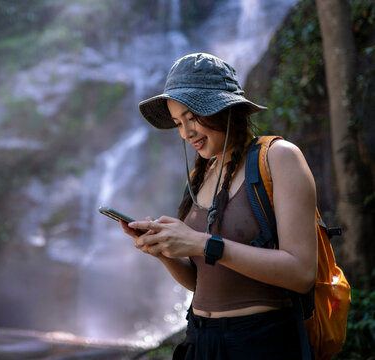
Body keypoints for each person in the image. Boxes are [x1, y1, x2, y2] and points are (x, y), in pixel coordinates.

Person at [119, 53, 317, 359]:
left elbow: (302, 272)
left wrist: (203, 242)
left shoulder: (279, 158)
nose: (186, 133)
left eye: (192, 117)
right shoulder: (200, 175)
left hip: (260, 341)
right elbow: (200, 280)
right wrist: (165, 253)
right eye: (178, 123)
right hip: (199, 340)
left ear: (224, 107)